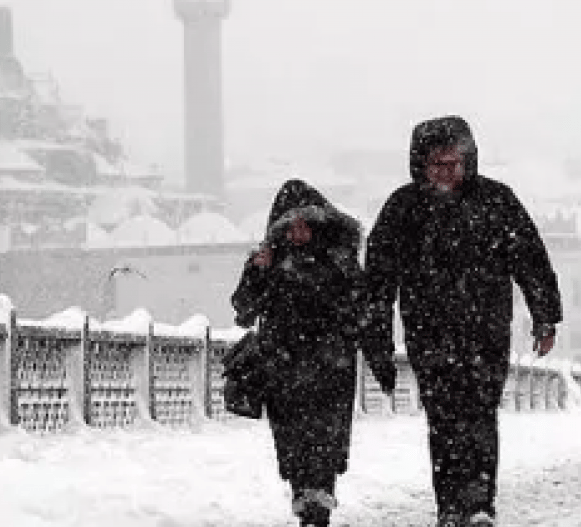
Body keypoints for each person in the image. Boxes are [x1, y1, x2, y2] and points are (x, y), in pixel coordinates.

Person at [361, 115, 563, 527]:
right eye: (437, 164)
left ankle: (479, 503)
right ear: (421, 164)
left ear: (468, 161)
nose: (446, 173)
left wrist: (545, 317)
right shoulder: (403, 209)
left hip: (485, 332)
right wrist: (377, 341)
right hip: (428, 334)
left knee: (480, 415)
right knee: (443, 419)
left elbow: (530, 260)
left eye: (453, 163)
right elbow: (378, 282)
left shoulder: (496, 201)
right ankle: (451, 505)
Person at [232, 179, 395, 527]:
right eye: (290, 227)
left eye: (304, 225)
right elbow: (244, 310)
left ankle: (317, 501)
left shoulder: (340, 263)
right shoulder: (270, 263)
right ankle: (305, 497)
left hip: (330, 367)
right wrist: (256, 271)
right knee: (292, 441)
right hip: (284, 368)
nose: (298, 233)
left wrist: (380, 359)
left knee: (325, 440)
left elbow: (364, 314)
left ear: (320, 224)